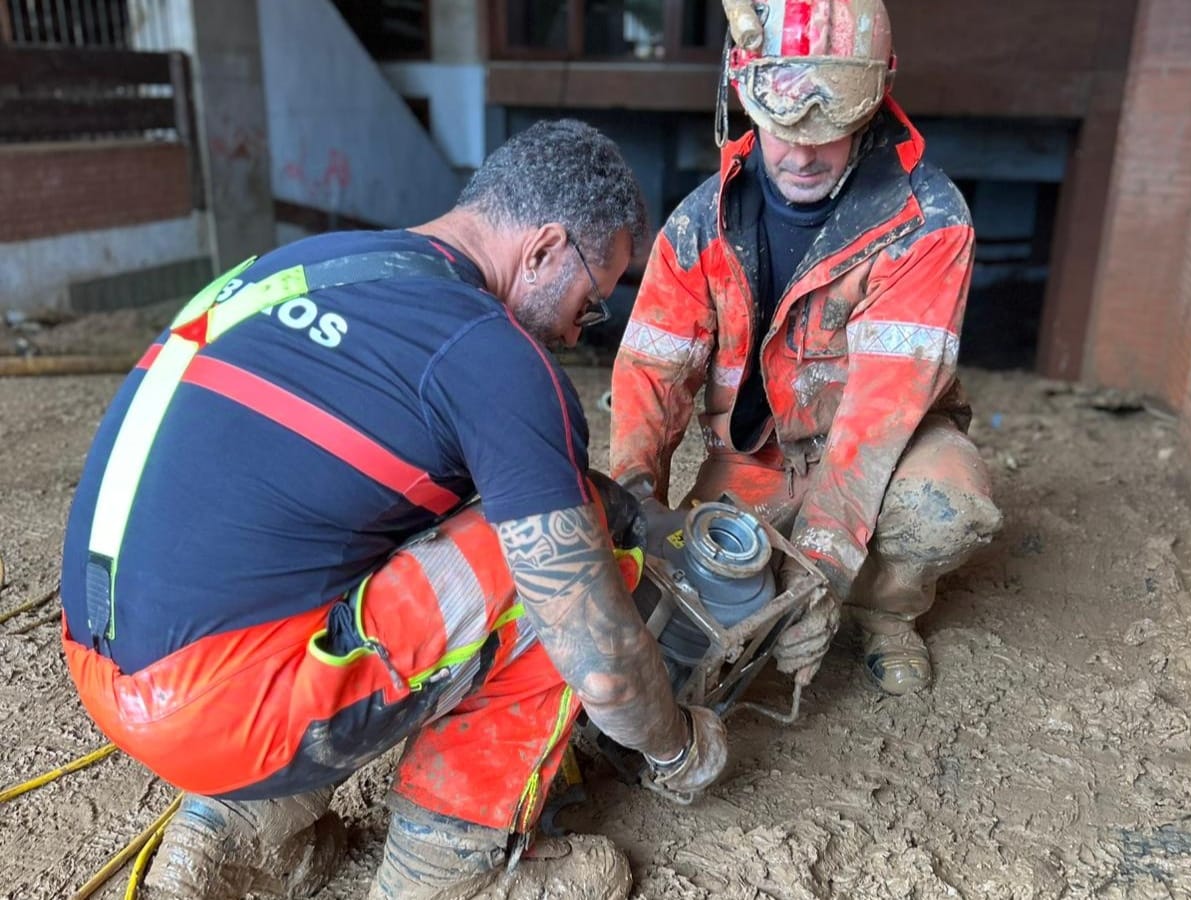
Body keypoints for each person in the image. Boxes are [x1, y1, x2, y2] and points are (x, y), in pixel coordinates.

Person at [59, 119, 728, 900]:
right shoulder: (493, 356)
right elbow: (600, 659)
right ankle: (448, 868)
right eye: (592, 300)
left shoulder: (306, 264)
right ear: (544, 249)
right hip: (219, 711)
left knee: (390, 510)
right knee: (580, 556)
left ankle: (237, 831)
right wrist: (680, 746)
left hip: (101, 661)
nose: (583, 329)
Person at [610, 0, 1002, 697]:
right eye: (780, 125)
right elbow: (651, 372)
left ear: (878, 95)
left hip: (893, 443)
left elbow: (877, 418)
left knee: (942, 506)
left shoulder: (926, 225)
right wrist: (637, 508)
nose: (801, 153)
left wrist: (820, 563)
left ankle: (886, 612)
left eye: (831, 128)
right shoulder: (701, 222)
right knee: (716, 585)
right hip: (757, 457)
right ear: (742, 89)